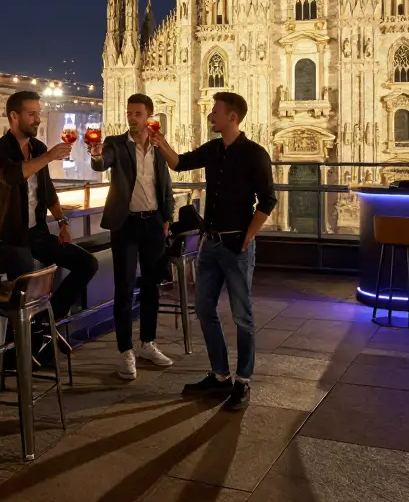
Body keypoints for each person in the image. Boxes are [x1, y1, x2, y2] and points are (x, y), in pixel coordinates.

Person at [151, 91, 276, 411]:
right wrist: (160, 141)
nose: (210, 115)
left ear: (232, 117)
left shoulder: (255, 154)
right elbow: (180, 164)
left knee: (242, 316)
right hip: (210, 244)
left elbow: (268, 200)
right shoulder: (213, 149)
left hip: (237, 245)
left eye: (215, 111)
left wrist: (248, 237)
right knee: (205, 309)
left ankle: (243, 380)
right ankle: (220, 375)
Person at [0, 90, 99, 367]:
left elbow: (46, 191)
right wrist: (48, 157)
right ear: (14, 116)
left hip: (37, 234)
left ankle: (45, 325)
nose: (38, 119)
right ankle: (15, 352)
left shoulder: (36, 148)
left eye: (39, 113)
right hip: (8, 237)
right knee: (27, 274)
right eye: (32, 114)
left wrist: (61, 221)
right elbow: (12, 176)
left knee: (87, 263)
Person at [89, 93, 175, 380]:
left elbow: (165, 185)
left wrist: (167, 216)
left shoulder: (158, 145)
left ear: (149, 115)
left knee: (151, 286)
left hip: (153, 223)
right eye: (129, 113)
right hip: (126, 224)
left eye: (138, 113)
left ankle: (147, 343)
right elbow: (102, 163)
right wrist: (95, 153)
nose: (132, 118)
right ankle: (125, 351)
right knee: (124, 289)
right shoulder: (116, 143)